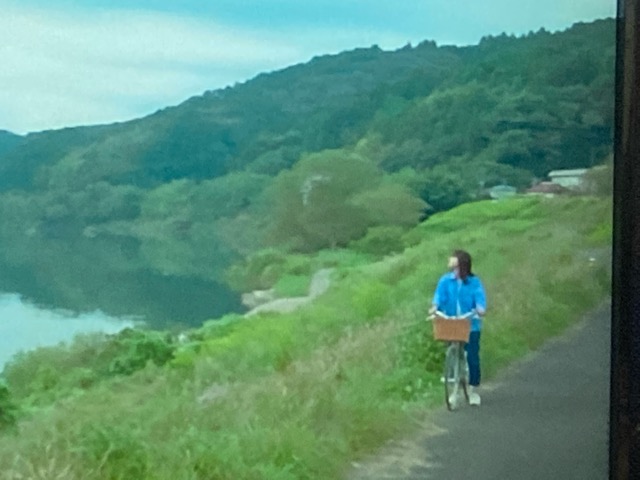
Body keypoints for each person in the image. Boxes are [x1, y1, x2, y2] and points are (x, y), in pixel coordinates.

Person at [430, 249, 487, 406]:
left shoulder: (474, 282)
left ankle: (472, 390)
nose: (451, 266)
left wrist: (480, 309)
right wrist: (435, 307)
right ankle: (453, 388)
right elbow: (439, 297)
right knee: (453, 353)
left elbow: (480, 299)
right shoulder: (445, 281)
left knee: (472, 357)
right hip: (452, 322)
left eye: (454, 263)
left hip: (470, 324)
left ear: (461, 265)